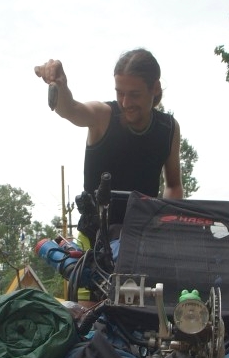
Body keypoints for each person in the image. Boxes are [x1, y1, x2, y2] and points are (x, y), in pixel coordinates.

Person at [34, 49, 183, 231]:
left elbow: (174, 185)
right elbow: (70, 109)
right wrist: (60, 85)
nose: (126, 103)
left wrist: (166, 221)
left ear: (155, 88)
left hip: (142, 240)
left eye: (134, 94)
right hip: (95, 241)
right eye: (120, 93)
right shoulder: (102, 117)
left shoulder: (168, 129)